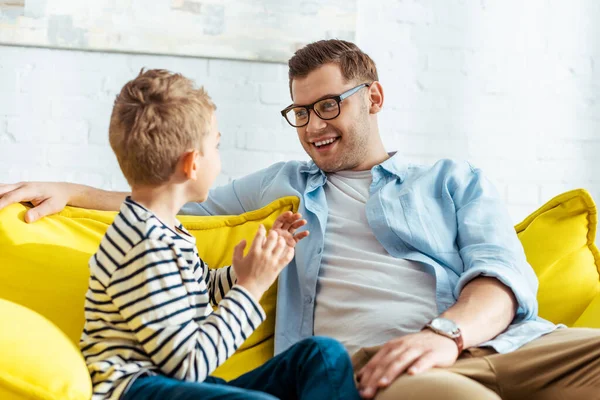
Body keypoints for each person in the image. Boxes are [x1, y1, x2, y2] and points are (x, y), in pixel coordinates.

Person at [1, 40, 599, 399]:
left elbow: (501, 278)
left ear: (375, 98)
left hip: (510, 342)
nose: (313, 126)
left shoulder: (452, 180)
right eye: (301, 111)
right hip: (388, 364)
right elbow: (169, 194)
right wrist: (70, 189)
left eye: (328, 106)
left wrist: (443, 336)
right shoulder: (284, 185)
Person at [78, 68, 360, 400]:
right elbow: (189, 365)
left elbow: (200, 287)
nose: (219, 160)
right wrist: (251, 286)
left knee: (321, 355)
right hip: (136, 388)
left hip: (179, 383)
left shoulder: (164, 229)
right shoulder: (144, 246)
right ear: (191, 165)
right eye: (216, 146)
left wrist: (249, 269)